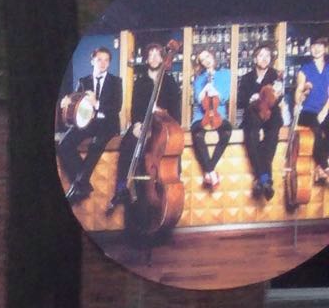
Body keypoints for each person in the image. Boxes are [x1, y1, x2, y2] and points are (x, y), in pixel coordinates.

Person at [110, 41, 182, 211]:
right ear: (146, 59)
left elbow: (176, 112)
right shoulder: (140, 82)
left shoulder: (169, 82)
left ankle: (167, 189)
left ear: (163, 58)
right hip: (142, 125)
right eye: (151, 55)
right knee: (127, 145)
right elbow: (135, 108)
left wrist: (162, 112)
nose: (154, 58)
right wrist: (136, 124)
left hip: (162, 128)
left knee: (168, 152)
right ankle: (122, 188)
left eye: (157, 54)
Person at [59, 45, 124, 203]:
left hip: (108, 124)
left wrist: (97, 104)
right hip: (87, 123)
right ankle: (83, 184)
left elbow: (117, 107)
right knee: (64, 144)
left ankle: (78, 185)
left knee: (96, 144)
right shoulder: (83, 81)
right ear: (92, 61)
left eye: (106, 60)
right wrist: (66, 102)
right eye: (99, 59)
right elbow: (75, 105)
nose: (103, 63)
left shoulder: (116, 82)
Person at [240, 43, 292, 199]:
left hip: (271, 112)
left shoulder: (276, 76)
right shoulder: (247, 78)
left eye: (267, 56)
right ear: (255, 58)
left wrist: (276, 94)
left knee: (272, 136)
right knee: (251, 136)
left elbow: (279, 98)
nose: (264, 58)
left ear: (271, 59)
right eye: (261, 55)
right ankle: (265, 179)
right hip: (253, 113)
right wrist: (253, 97)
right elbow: (241, 100)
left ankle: (260, 179)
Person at [189, 47, 232, 190]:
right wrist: (204, 89)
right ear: (201, 64)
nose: (206, 61)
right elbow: (198, 99)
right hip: (201, 115)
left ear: (212, 55)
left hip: (219, 113)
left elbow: (225, 96)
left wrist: (214, 91)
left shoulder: (225, 74)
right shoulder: (199, 79)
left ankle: (209, 170)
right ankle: (212, 173)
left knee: (227, 131)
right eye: (202, 60)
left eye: (207, 56)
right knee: (197, 133)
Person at [295, 35, 329, 185]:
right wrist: (302, 92)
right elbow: (298, 93)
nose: (316, 49)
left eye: (320, 46)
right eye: (314, 46)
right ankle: (325, 167)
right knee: (316, 132)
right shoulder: (305, 69)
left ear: (325, 48)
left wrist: (324, 111)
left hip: (324, 110)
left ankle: (321, 168)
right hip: (307, 111)